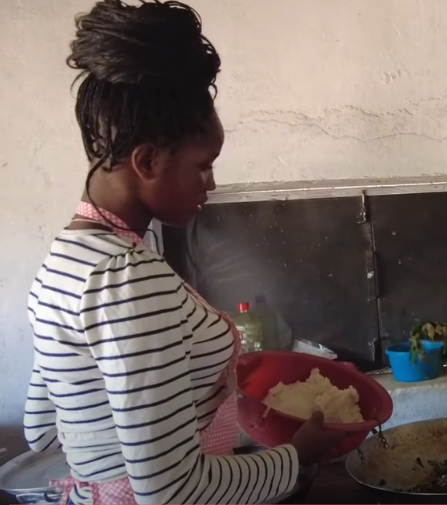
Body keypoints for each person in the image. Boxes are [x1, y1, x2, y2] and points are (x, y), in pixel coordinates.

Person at [23, 1, 340, 503]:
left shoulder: (65, 259)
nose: (211, 184)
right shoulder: (129, 279)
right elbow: (171, 491)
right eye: (203, 166)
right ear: (147, 161)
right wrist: (297, 457)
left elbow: (41, 429)